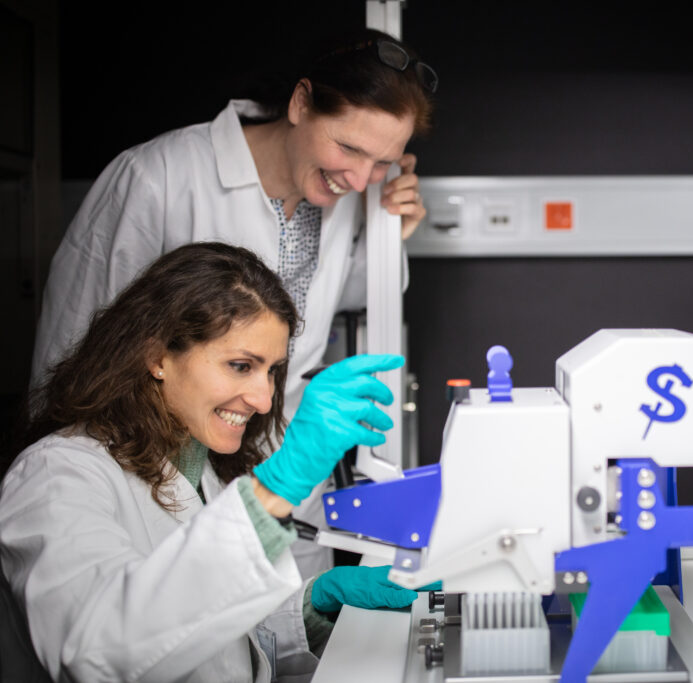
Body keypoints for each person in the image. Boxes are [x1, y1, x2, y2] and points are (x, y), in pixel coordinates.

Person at [30, 28, 437, 578]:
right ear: (300, 103)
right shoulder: (160, 177)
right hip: (157, 478)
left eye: (384, 162)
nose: (361, 178)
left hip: (285, 472)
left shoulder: (345, 198)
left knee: (288, 641)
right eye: (348, 148)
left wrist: (391, 237)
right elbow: (75, 346)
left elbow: (321, 308)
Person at [1, 243, 419, 682]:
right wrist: (273, 492)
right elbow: (99, 651)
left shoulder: (201, 466)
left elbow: (219, 644)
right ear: (157, 357)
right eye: (241, 366)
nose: (263, 400)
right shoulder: (56, 476)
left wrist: (316, 606)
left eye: (272, 371)